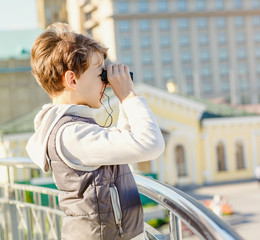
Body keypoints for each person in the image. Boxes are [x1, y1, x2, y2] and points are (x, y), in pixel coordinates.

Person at [26, 22, 165, 240]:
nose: (105, 82)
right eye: (100, 73)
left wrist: (123, 99)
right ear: (72, 79)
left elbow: (125, 143)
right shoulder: (71, 134)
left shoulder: (72, 128)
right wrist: (127, 96)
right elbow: (150, 144)